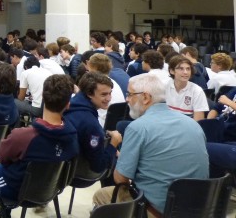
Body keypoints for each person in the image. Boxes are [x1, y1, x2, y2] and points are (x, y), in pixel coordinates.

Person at [93, 74, 209, 217]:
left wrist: (121, 159)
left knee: (101, 195)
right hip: (197, 209)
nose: (127, 99)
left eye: (130, 94)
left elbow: (121, 179)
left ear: (146, 97)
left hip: (158, 210)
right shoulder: (193, 125)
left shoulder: (138, 128)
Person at [0, 74, 79, 200]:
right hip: (50, 190)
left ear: (43, 98)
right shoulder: (72, 137)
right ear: (68, 104)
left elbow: (2, 157)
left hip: (16, 189)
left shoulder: (23, 136)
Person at [64, 72, 122, 173]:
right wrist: (113, 144)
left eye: (110, 93)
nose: (109, 98)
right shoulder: (91, 124)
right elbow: (98, 167)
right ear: (89, 94)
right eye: (104, 94)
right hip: (80, 173)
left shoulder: (70, 104)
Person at [165, 55, 208, 120]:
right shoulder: (164, 86)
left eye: (188, 69)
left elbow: (198, 121)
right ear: (172, 71)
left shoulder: (197, 91)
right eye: (181, 69)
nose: (185, 72)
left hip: (187, 125)